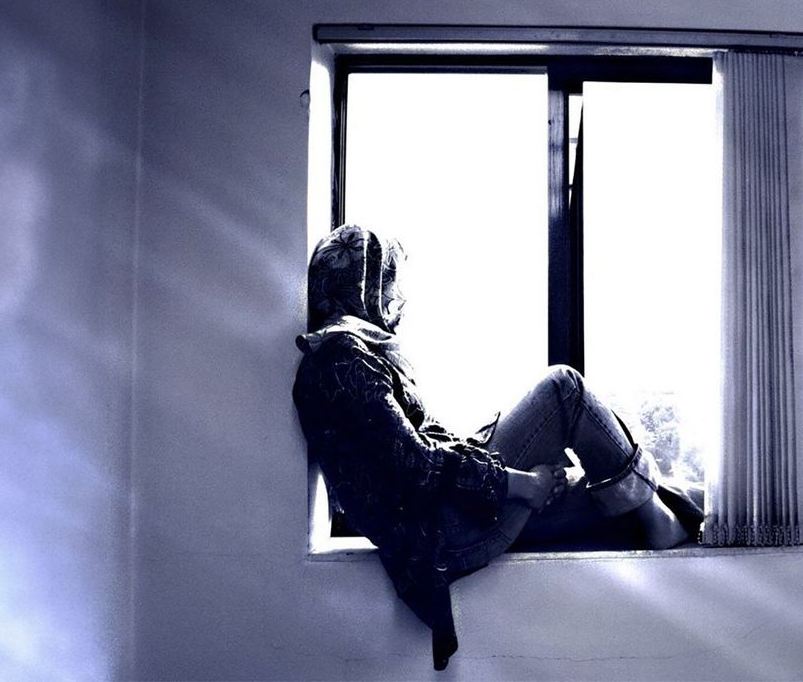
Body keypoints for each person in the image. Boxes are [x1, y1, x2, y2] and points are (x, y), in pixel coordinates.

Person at [292, 224, 701, 670]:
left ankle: (689, 514)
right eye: (389, 281)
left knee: (649, 496)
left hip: (450, 518)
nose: (397, 298)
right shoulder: (342, 356)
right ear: (363, 283)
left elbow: (410, 454)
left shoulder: (343, 354)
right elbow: (417, 466)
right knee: (563, 387)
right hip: (446, 528)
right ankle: (662, 525)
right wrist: (523, 484)